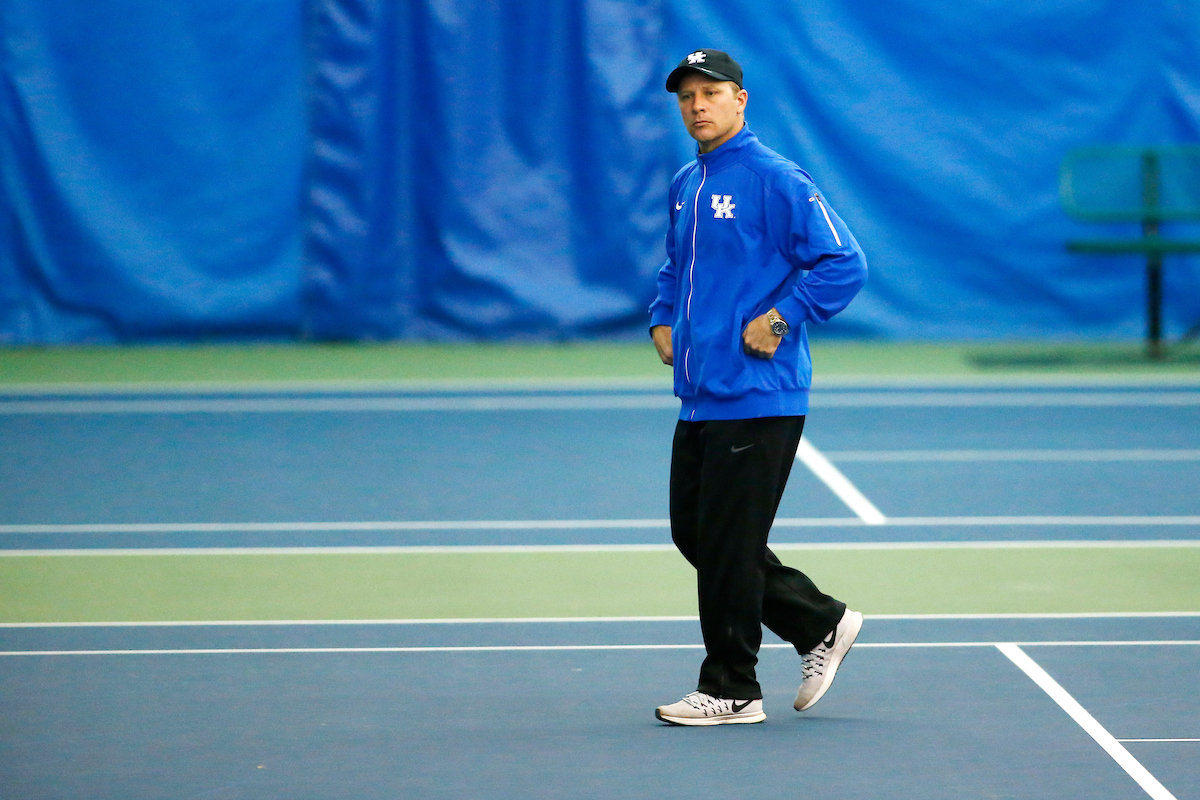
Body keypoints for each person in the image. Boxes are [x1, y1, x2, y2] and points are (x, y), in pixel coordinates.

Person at [649, 49, 869, 726]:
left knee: (725, 544)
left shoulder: (774, 178)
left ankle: (731, 687)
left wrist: (780, 317)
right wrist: (662, 317)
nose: (697, 105)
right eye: (686, 96)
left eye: (710, 92)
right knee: (698, 534)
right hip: (703, 393)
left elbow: (844, 262)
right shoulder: (689, 180)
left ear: (740, 99)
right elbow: (675, 266)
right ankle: (819, 622)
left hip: (759, 394)